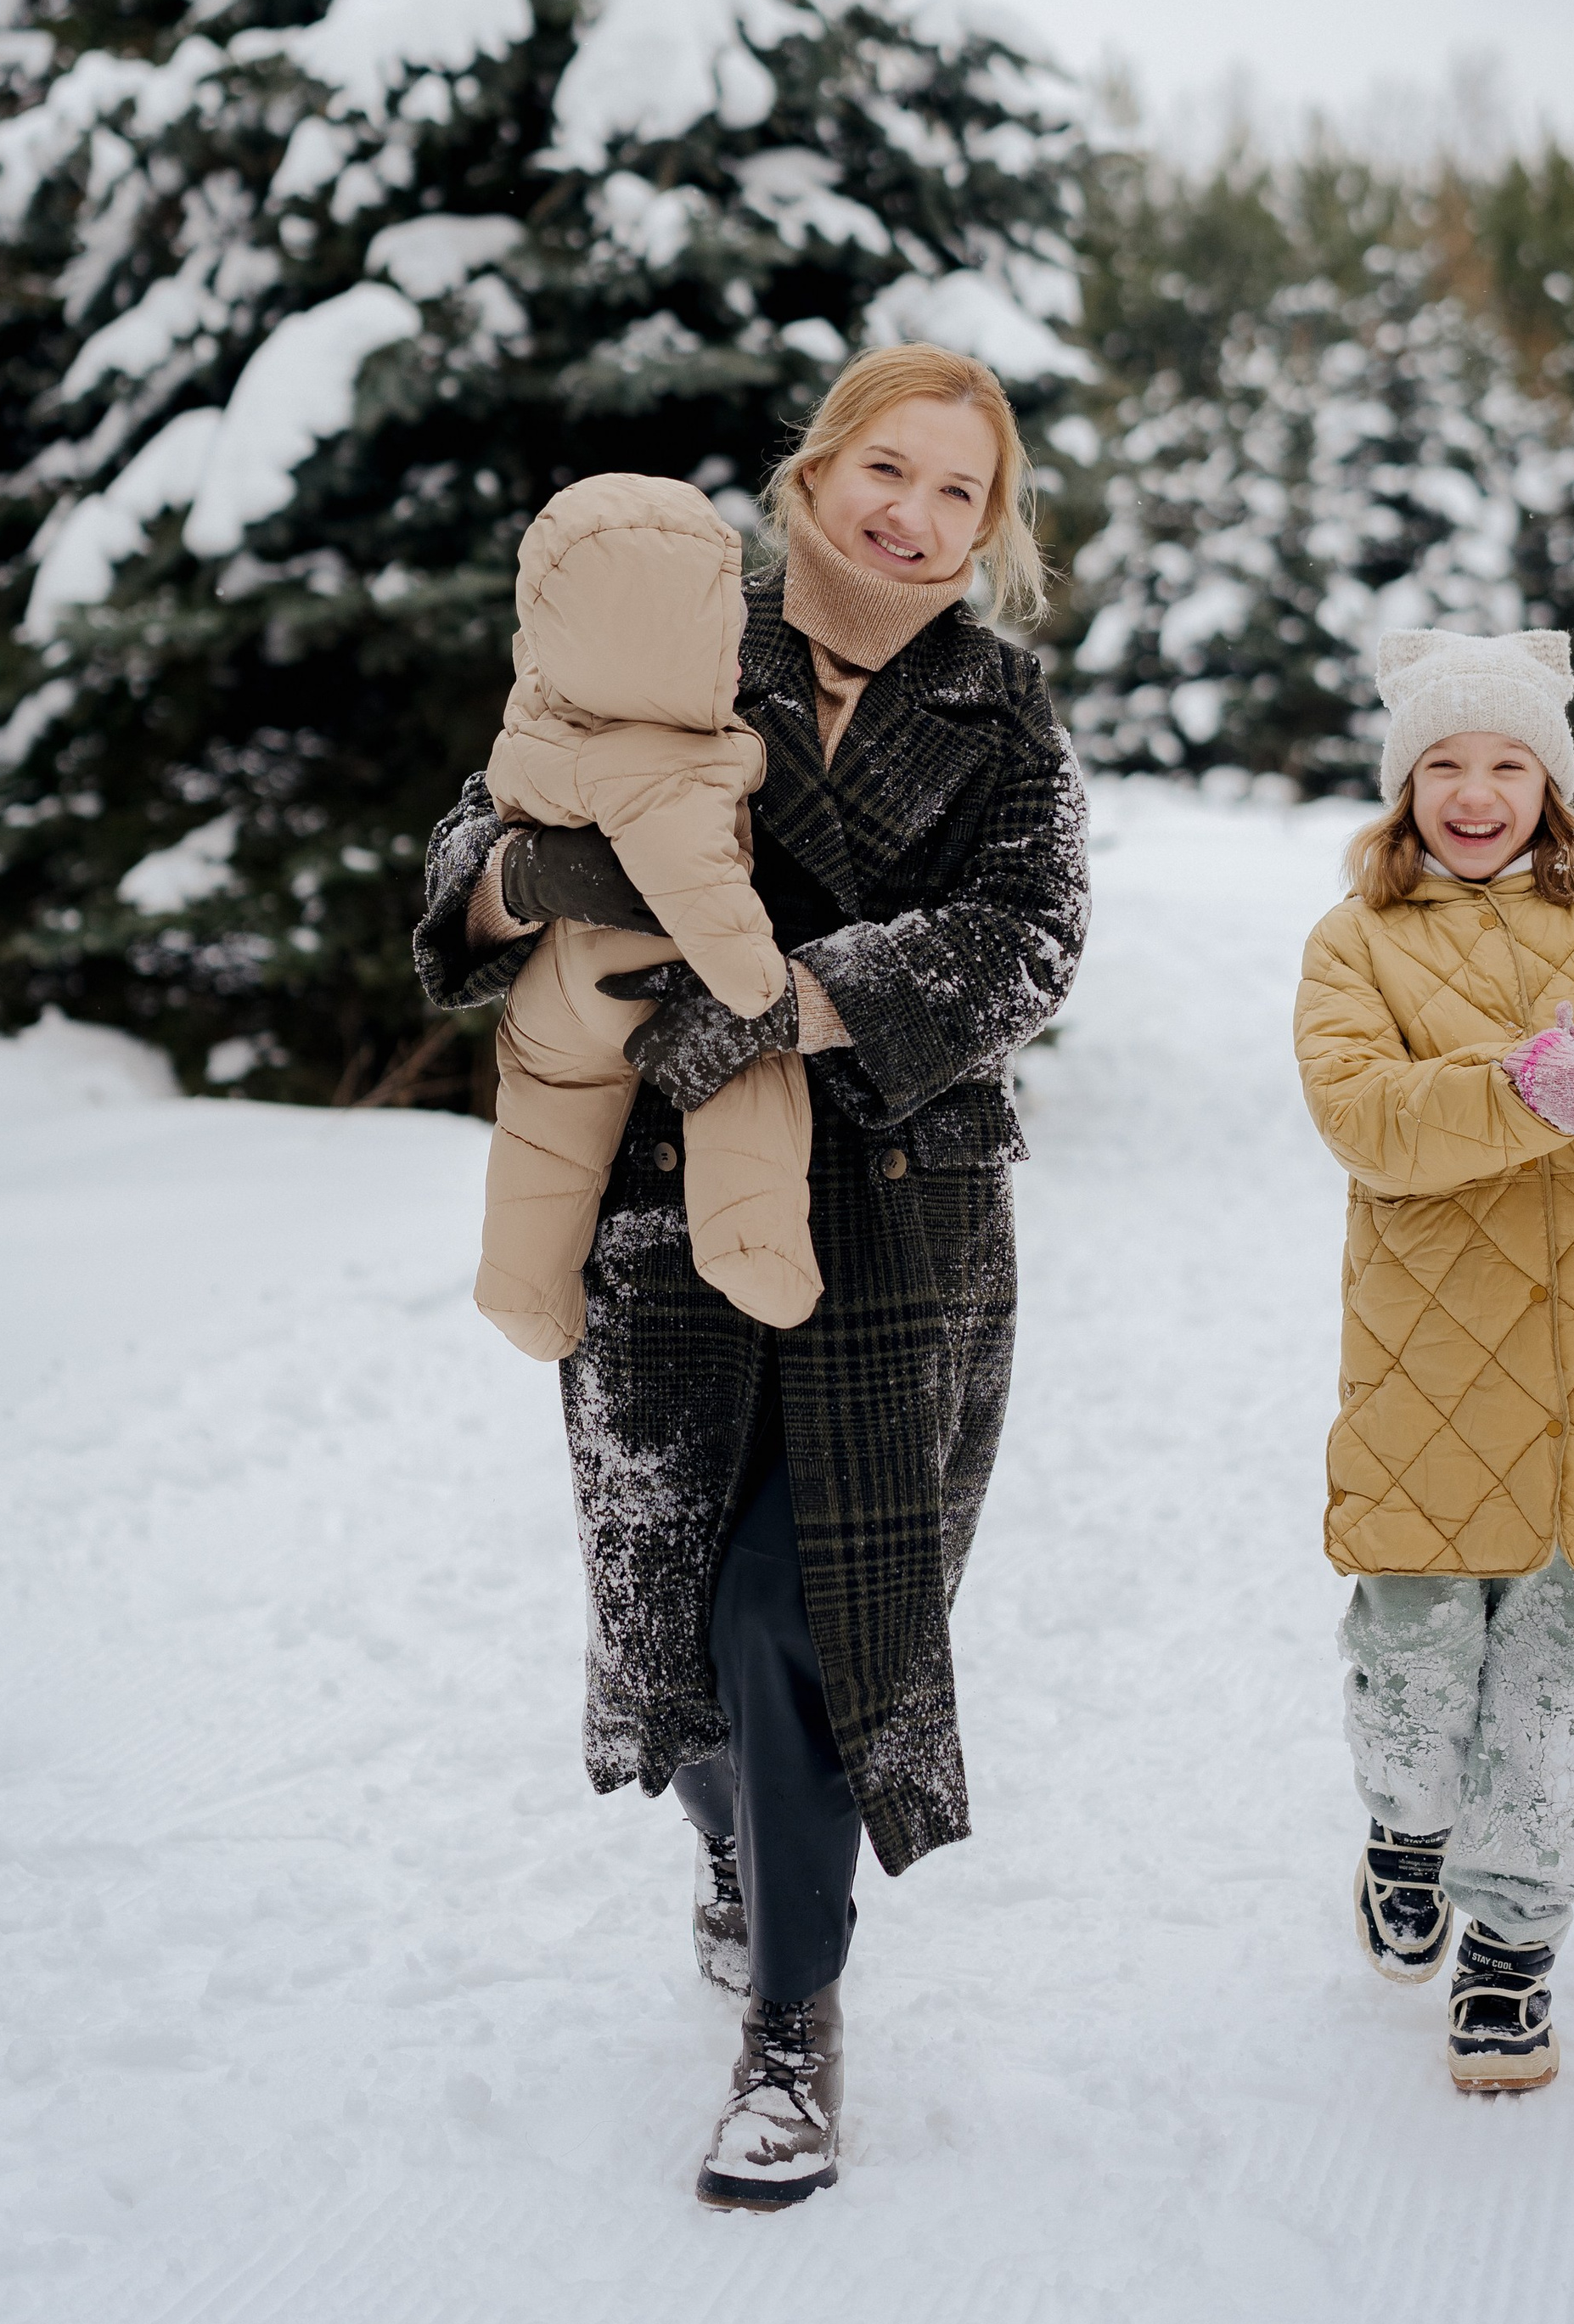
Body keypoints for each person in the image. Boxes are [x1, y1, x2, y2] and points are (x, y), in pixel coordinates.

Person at [413, 345, 1088, 2206]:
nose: (914, 515)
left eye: (958, 491)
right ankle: (731, 1841)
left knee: (808, 1617)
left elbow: (1030, 941)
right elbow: (473, 843)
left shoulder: (999, 711)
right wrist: (535, 881)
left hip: (897, 1224)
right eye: (889, 469)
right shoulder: (684, 620)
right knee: (688, 1633)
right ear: (816, 469)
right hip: (659, 1218)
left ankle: (793, 2020)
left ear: (990, 525)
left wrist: (793, 999)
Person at [1293, 627, 1574, 2091]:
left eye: (1507, 764)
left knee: (1565, 1687)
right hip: (1430, 1376)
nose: (1475, 793)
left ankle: (1510, 1956)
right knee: (1417, 1667)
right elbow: (1364, 1115)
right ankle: (1407, 1832)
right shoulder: (1357, 942)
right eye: (1444, 764)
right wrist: (1525, 1088)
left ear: (1552, 785)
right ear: (1404, 784)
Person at [475, 472, 820, 1360]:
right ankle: (755, 1250)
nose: (736, 643)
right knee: (747, 1065)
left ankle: (520, 1287)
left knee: (546, 1117)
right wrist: (760, 986)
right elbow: (696, 884)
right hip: (650, 975)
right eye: (719, 627)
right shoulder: (675, 753)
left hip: (552, 995)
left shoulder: (546, 702)